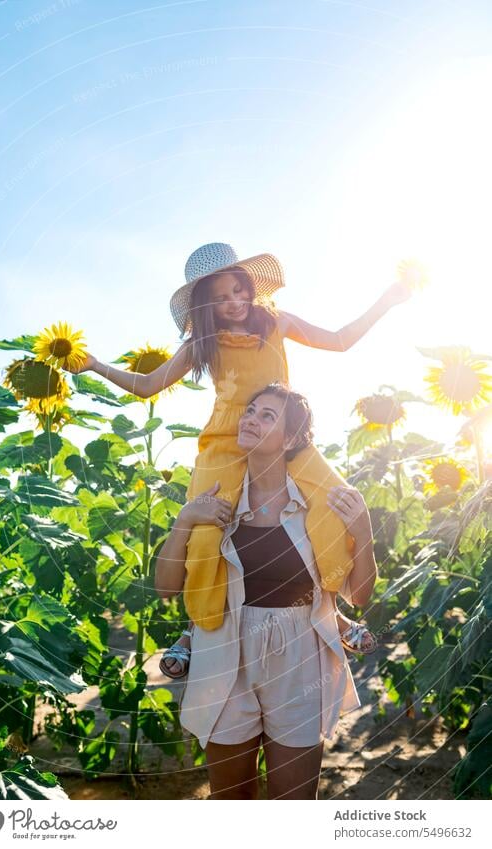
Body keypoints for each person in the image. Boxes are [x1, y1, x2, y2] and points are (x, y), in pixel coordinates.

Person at [67, 242, 412, 666]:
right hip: (225, 441)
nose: (234, 302)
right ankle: (196, 628)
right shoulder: (202, 342)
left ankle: (331, 611)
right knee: (206, 527)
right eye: (220, 297)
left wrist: (388, 300)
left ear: (250, 286)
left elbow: (340, 340)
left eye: (238, 290)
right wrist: (95, 365)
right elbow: (148, 385)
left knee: (331, 505)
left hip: (283, 432)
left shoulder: (277, 323)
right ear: (205, 307)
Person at [154, 383, 377, 799]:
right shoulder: (214, 497)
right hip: (225, 649)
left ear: (291, 439)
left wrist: (364, 532)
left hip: (300, 657)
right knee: (230, 799)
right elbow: (166, 586)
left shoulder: (319, 509)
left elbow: (360, 595)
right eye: (251, 410)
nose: (251, 419)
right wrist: (184, 520)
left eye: (267, 416)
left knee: (292, 803)